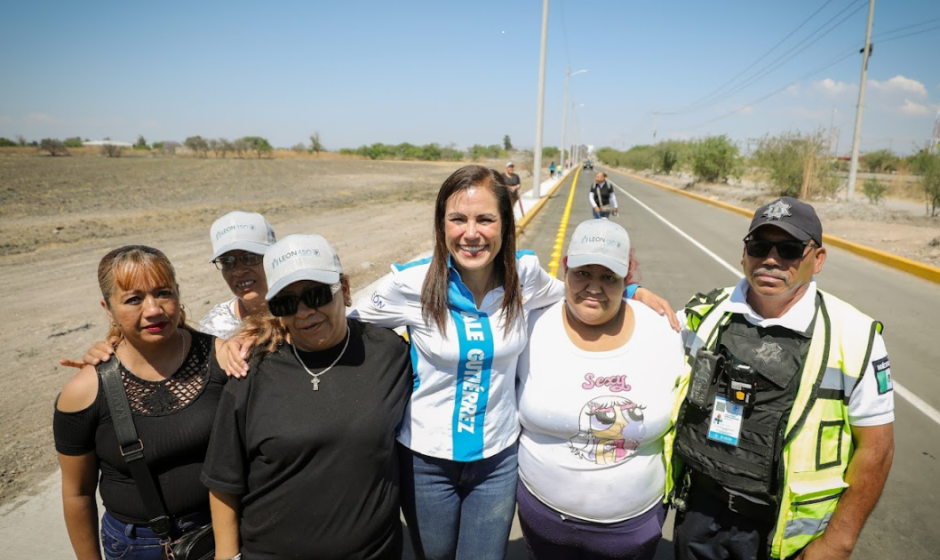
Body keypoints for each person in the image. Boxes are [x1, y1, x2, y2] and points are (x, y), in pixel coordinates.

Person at [220, 165, 678, 559]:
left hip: (497, 461)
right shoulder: (410, 283)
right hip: (425, 461)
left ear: (505, 225)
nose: (471, 232)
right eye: (457, 219)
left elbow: (582, 292)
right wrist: (255, 330)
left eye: (485, 219)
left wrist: (634, 293)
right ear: (441, 225)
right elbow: (334, 310)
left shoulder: (528, 276)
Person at [667, 197, 895, 560]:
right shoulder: (706, 312)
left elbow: (876, 449)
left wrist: (839, 541)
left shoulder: (854, 336)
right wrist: (632, 292)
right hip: (700, 515)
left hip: (783, 534)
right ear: (745, 253)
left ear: (817, 259)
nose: (771, 260)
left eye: (789, 249)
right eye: (759, 246)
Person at [201, 234, 413, 560]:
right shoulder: (252, 370)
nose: (303, 313)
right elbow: (223, 481)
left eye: (315, 295)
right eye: (287, 304)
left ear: (344, 287)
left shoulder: (390, 353)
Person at [516, 219, 685, 559]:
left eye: (608, 277)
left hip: (631, 533)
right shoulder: (530, 322)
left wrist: (636, 295)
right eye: (582, 273)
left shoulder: (665, 330)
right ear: (565, 271)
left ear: (626, 280)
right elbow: (493, 264)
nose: (593, 287)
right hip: (543, 522)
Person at [53, 245, 227, 560]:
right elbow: (77, 493)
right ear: (108, 309)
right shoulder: (84, 391)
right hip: (137, 547)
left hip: (224, 534)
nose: (153, 310)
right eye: (134, 299)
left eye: (163, 293)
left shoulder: (221, 359)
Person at [198, 211, 277, 338]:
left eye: (250, 257)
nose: (238, 271)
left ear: (274, 256)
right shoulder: (216, 327)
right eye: (227, 262)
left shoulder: (304, 312)